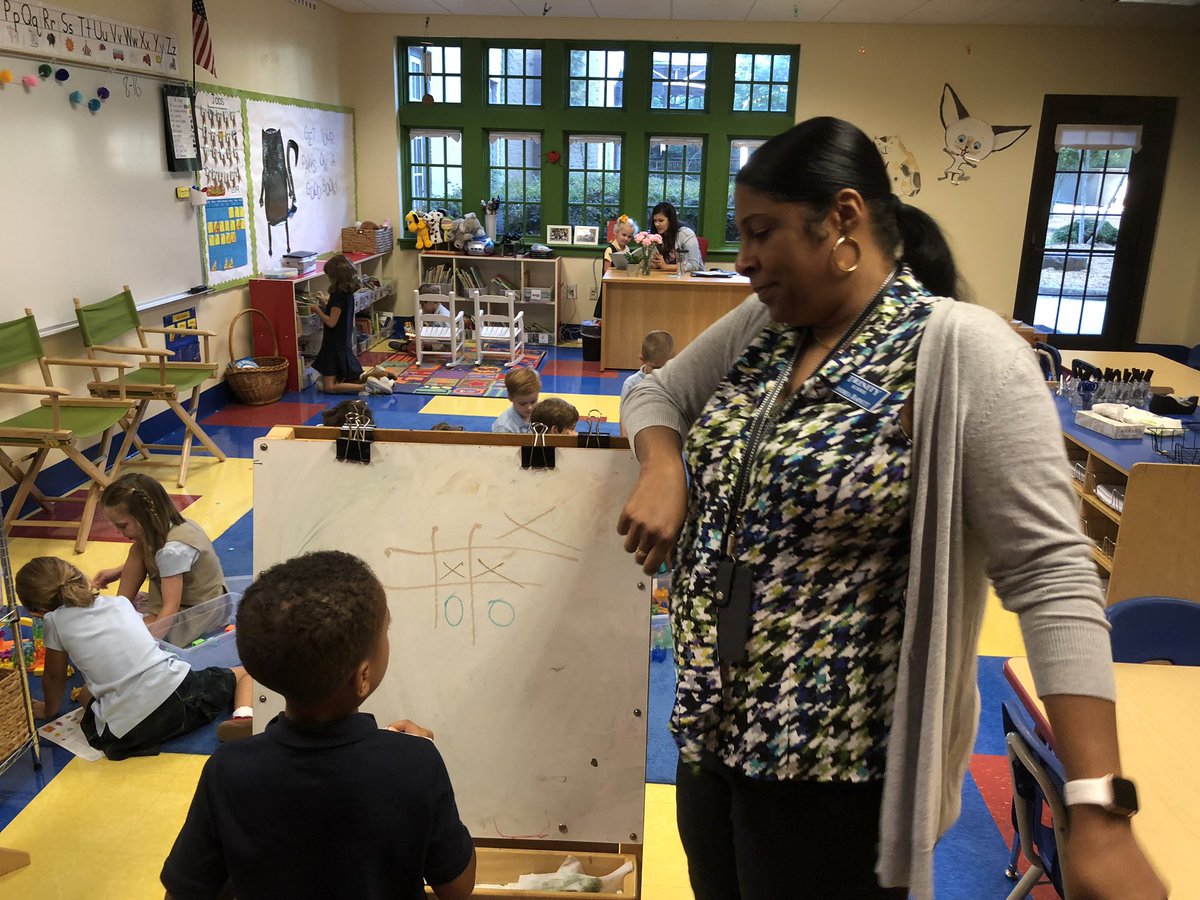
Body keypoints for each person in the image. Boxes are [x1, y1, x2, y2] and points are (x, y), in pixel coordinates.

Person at [617, 116, 1164, 900]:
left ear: (842, 219)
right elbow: (657, 392)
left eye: (763, 232)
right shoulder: (767, 327)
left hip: (835, 780)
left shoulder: (964, 352)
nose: (743, 259)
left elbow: (1053, 577)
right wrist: (665, 462)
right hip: (710, 736)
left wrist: (1100, 812)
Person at [160, 551, 476, 900]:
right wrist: (419, 757)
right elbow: (458, 889)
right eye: (385, 631)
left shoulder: (227, 771)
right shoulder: (415, 763)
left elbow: (185, 891)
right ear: (363, 677)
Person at [17, 556, 254, 759]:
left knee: (86, 695)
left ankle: (145, 732)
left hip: (129, 733)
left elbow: (54, 676)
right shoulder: (120, 603)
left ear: (36, 612)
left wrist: (49, 710)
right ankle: (243, 716)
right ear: (81, 579)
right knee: (246, 672)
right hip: (186, 699)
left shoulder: (54, 621)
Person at [91, 473, 227, 630]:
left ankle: (121, 615)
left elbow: (171, 607)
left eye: (122, 526)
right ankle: (120, 610)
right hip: (200, 601)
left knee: (132, 631)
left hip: (201, 613)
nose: (117, 531)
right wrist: (118, 571)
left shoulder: (172, 551)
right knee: (138, 548)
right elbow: (168, 562)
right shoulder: (177, 526)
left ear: (146, 517)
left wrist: (147, 641)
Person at [311, 253, 367, 394]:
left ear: (335, 277)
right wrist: (324, 303)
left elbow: (331, 322)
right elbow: (337, 313)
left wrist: (317, 310)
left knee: (329, 387)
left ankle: (367, 388)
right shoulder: (346, 293)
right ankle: (367, 383)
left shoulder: (337, 296)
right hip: (342, 341)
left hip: (333, 344)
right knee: (339, 379)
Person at [618, 330, 675, 438]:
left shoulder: (673, 382)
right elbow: (624, 417)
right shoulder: (631, 384)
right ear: (642, 360)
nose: (659, 372)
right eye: (655, 367)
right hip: (639, 436)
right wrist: (625, 441)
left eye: (665, 367)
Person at [597, 214, 638, 318]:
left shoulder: (627, 250)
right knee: (609, 311)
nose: (626, 238)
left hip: (623, 284)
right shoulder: (610, 249)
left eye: (629, 236)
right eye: (624, 235)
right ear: (616, 233)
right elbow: (606, 271)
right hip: (611, 286)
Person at [648, 201, 703, 273]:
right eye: (655, 221)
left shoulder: (686, 234)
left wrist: (666, 266)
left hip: (689, 276)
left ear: (670, 220)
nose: (657, 224)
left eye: (661, 221)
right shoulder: (655, 236)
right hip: (664, 275)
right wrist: (654, 264)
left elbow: (693, 266)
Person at [491, 366, 540, 434]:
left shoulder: (541, 413)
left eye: (533, 402)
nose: (529, 407)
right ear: (511, 398)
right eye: (523, 404)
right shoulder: (504, 427)